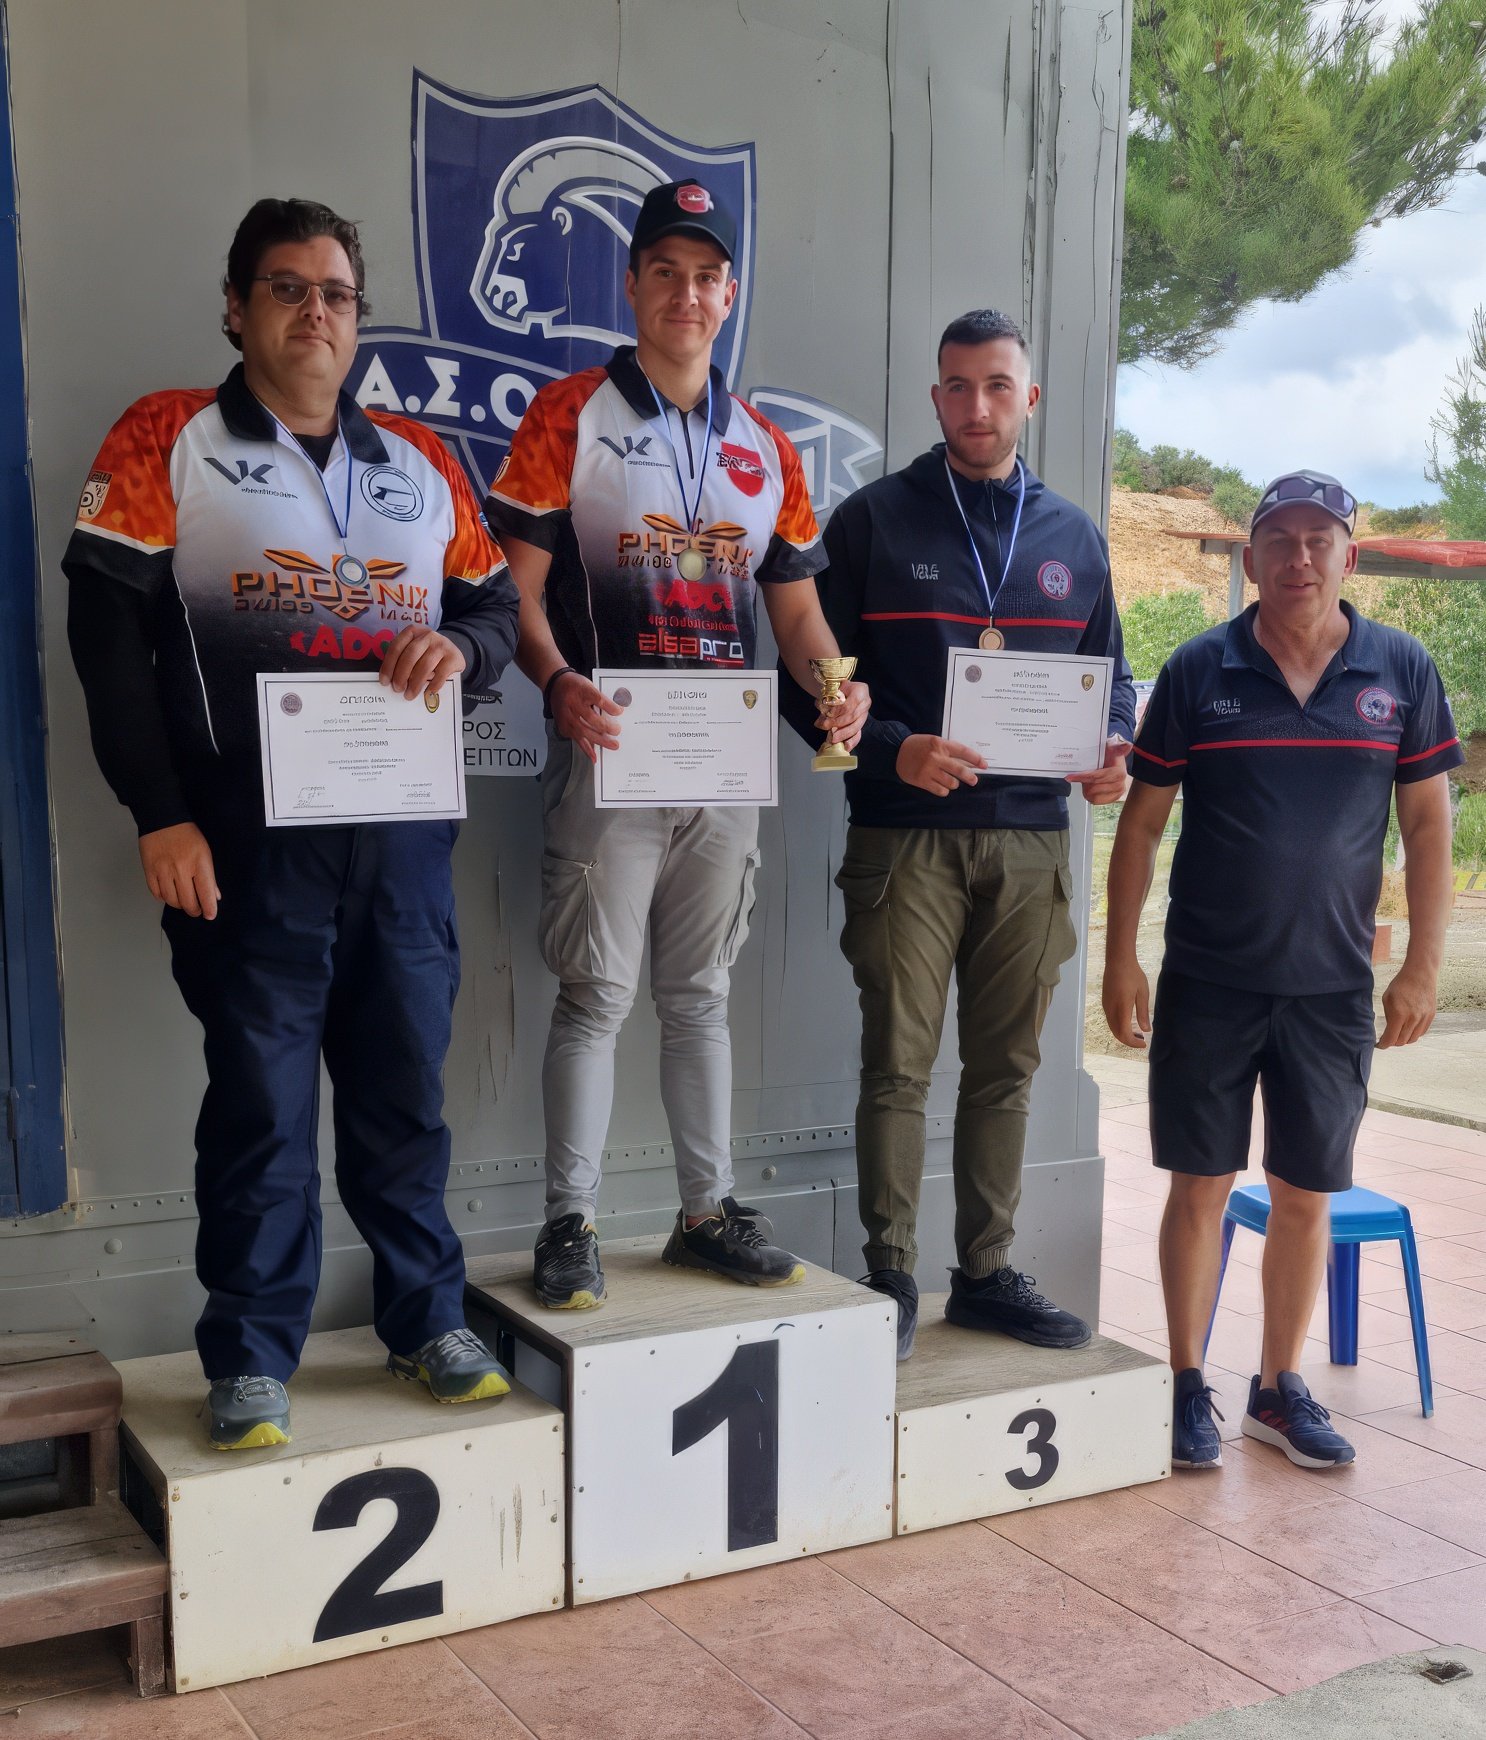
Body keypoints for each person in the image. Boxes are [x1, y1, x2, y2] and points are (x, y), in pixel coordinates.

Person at [65, 198, 521, 1449]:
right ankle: (253, 1355)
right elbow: (104, 645)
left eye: (335, 293)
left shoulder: (420, 462)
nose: (314, 311)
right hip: (245, 849)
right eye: (286, 287)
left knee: (403, 1098)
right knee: (261, 1110)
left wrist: (463, 649)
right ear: (235, 307)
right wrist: (160, 814)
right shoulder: (167, 437)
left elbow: (492, 611)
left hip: (403, 845)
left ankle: (426, 1321)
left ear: (357, 318)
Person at [486, 179, 868, 1309]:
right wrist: (555, 681)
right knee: (595, 996)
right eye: (666, 272)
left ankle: (706, 1213)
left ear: (728, 295)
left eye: (706, 277)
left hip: (723, 761)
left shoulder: (765, 447)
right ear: (633, 283)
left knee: (699, 993)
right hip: (609, 747)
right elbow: (515, 594)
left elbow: (797, 614)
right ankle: (569, 1223)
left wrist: (837, 691)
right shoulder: (568, 416)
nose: (686, 295)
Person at [781, 308, 1135, 1359]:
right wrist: (892, 751)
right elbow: (812, 687)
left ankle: (983, 1273)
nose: (976, 406)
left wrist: (1113, 746)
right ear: (935, 397)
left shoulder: (1074, 535)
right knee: (896, 1063)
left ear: (1029, 398)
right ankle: (890, 1273)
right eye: (957, 386)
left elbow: (1112, 679)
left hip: (1031, 841)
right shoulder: (871, 522)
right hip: (905, 837)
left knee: (1005, 1069)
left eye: (996, 385)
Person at [1104, 470, 1460, 1470]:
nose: (1299, 558)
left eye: (1318, 540)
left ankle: (1276, 1390)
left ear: (1350, 555)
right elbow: (1142, 823)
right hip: (1208, 981)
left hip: (1332, 990)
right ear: (1253, 557)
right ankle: (1187, 1385)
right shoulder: (1197, 669)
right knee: (1199, 1187)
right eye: (1279, 540)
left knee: (1306, 1193)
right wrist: (1121, 957)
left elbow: (1427, 826)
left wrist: (1421, 967)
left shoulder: (1401, 668)